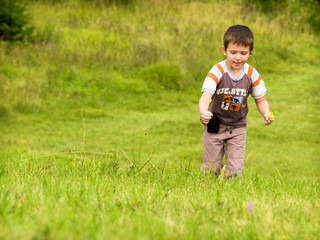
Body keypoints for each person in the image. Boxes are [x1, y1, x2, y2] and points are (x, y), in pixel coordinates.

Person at [198, 25, 274, 178]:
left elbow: (261, 99)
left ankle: (231, 198)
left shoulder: (252, 74)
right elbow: (206, 95)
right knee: (212, 169)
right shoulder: (217, 71)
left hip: (238, 127)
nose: (238, 57)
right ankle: (206, 192)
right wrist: (203, 111)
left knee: (235, 171)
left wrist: (266, 113)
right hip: (215, 125)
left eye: (243, 53)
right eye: (233, 52)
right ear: (224, 50)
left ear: (250, 52)